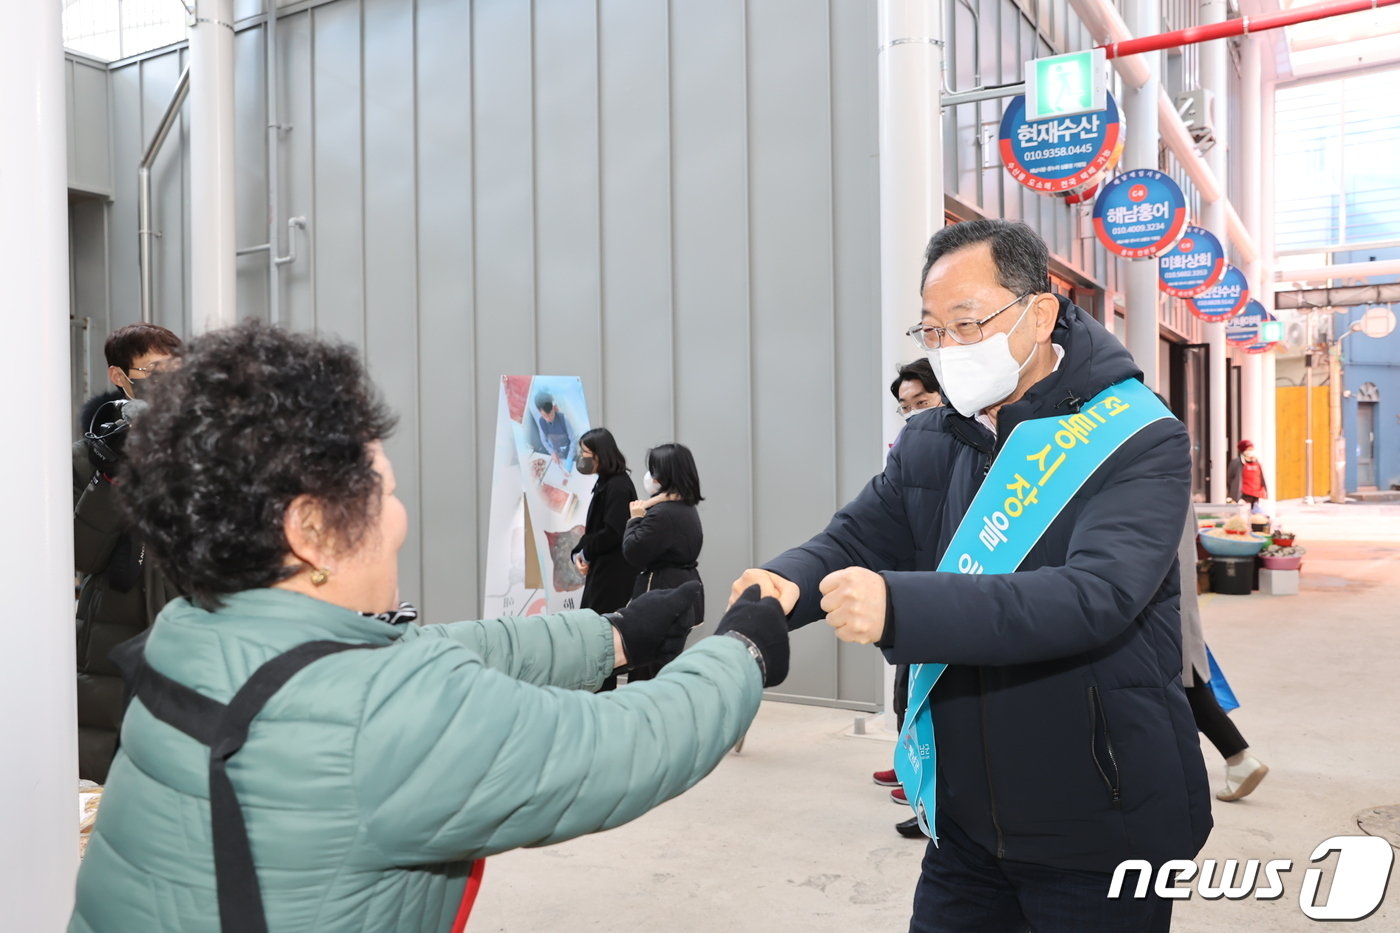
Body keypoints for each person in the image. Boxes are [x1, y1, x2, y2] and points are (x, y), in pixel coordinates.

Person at [69, 320, 791, 933]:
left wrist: (612, 635)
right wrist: (742, 647)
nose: (401, 517)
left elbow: (431, 652)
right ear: (312, 530)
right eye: (383, 491)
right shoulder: (369, 717)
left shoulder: (191, 634)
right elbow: (623, 745)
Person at [730, 219, 1210, 932]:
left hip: (1102, 825)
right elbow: (856, 537)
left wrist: (899, 607)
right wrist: (784, 585)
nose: (948, 349)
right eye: (931, 330)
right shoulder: (933, 437)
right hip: (965, 827)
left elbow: (1094, 597)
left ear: (1038, 313)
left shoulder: (1138, 436)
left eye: (966, 323)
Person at [73, 322, 183, 783]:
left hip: (187, 618)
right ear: (120, 376)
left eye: (176, 367)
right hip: (113, 630)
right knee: (110, 765)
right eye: (154, 369)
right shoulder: (86, 458)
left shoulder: (210, 448)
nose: (169, 378)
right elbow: (84, 554)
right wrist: (113, 473)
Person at [1177, 513, 1269, 801]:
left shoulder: (1151, 477)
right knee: (1185, 681)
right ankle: (1237, 758)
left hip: (1159, 602)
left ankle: (1238, 759)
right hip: (1176, 598)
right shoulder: (1172, 476)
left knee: (1183, 683)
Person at [622, 443, 705, 681]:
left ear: (666, 475)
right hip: (681, 587)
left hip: (661, 591)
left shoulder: (662, 514)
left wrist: (635, 519)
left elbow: (632, 552)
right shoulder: (684, 506)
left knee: (648, 667)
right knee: (665, 663)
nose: (649, 476)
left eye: (654, 470)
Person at [533, 391, 577, 468]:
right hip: (558, 456)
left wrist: (570, 458)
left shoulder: (563, 419)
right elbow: (544, 440)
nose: (548, 419)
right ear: (540, 412)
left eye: (550, 415)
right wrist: (552, 452)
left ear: (553, 408)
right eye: (544, 416)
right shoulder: (541, 422)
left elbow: (573, 440)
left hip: (570, 454)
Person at [1227, 438, 1269, 510]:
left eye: (1252, 449)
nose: (1251, 451)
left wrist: (1265, 492)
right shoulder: (1236, 463)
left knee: (1257, 517)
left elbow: (1261, 478)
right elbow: (1229, 479)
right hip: (1243, 496)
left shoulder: (1257, 462)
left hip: (1256, 496)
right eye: (1248, 449)